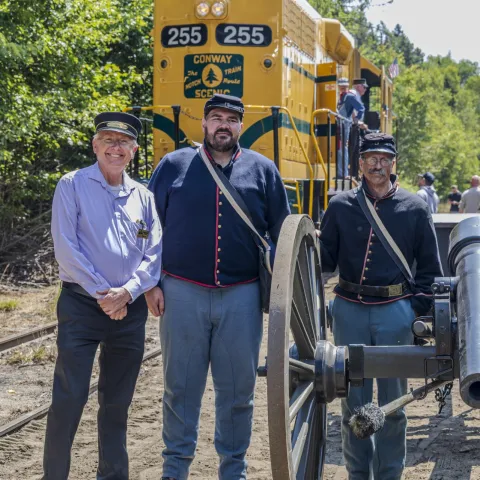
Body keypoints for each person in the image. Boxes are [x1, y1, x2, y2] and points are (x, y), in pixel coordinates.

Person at [147, 93, 290, 480]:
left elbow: (285, 234)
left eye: (231, 118)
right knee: (179, 389)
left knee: (238, 394)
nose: (223, 124)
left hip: (241, 296)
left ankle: (234, 471)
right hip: (181, 292)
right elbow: (147, 229)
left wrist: (279, 286)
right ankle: (174, 471)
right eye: (216, 117)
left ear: (241, 125)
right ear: (204, 123)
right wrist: (149, 284)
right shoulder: (173, 164)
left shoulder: (263, 170)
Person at [43, 112, 163, 480]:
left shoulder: (143, 195)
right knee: (69, 399)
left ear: (134, 150)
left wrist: (127, 292)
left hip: (128, 313)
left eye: (123, 142)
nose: (116, 147)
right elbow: (66, 248)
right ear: (95, 145)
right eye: (108, 140)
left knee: (117, 406)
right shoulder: (72, 184)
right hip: (81, 307)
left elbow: (154, 252)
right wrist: (104, 294)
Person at [319, 133, 442, 480]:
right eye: (370, 158)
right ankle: (359, 475)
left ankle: (389, 475)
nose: (377, 164)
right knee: (352, 405)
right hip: (349, 308)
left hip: (395, 311)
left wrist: (414, 311)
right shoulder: (340, 205)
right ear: (360, 164)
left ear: (394, 164)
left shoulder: (415, 208)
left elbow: (430, 268)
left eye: (384, 158)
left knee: (394, 406)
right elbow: (324, 259)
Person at [336, 78, 368, 179]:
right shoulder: (341, 97)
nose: (343, 88)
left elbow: (361, 108)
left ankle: (344, 173)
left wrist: (356, 120)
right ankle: (341, 172)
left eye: (345, 86)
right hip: (340, 124)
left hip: (344, 125)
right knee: (340, 149)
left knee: (342, 149)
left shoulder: (349, 96)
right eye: (341, 86)